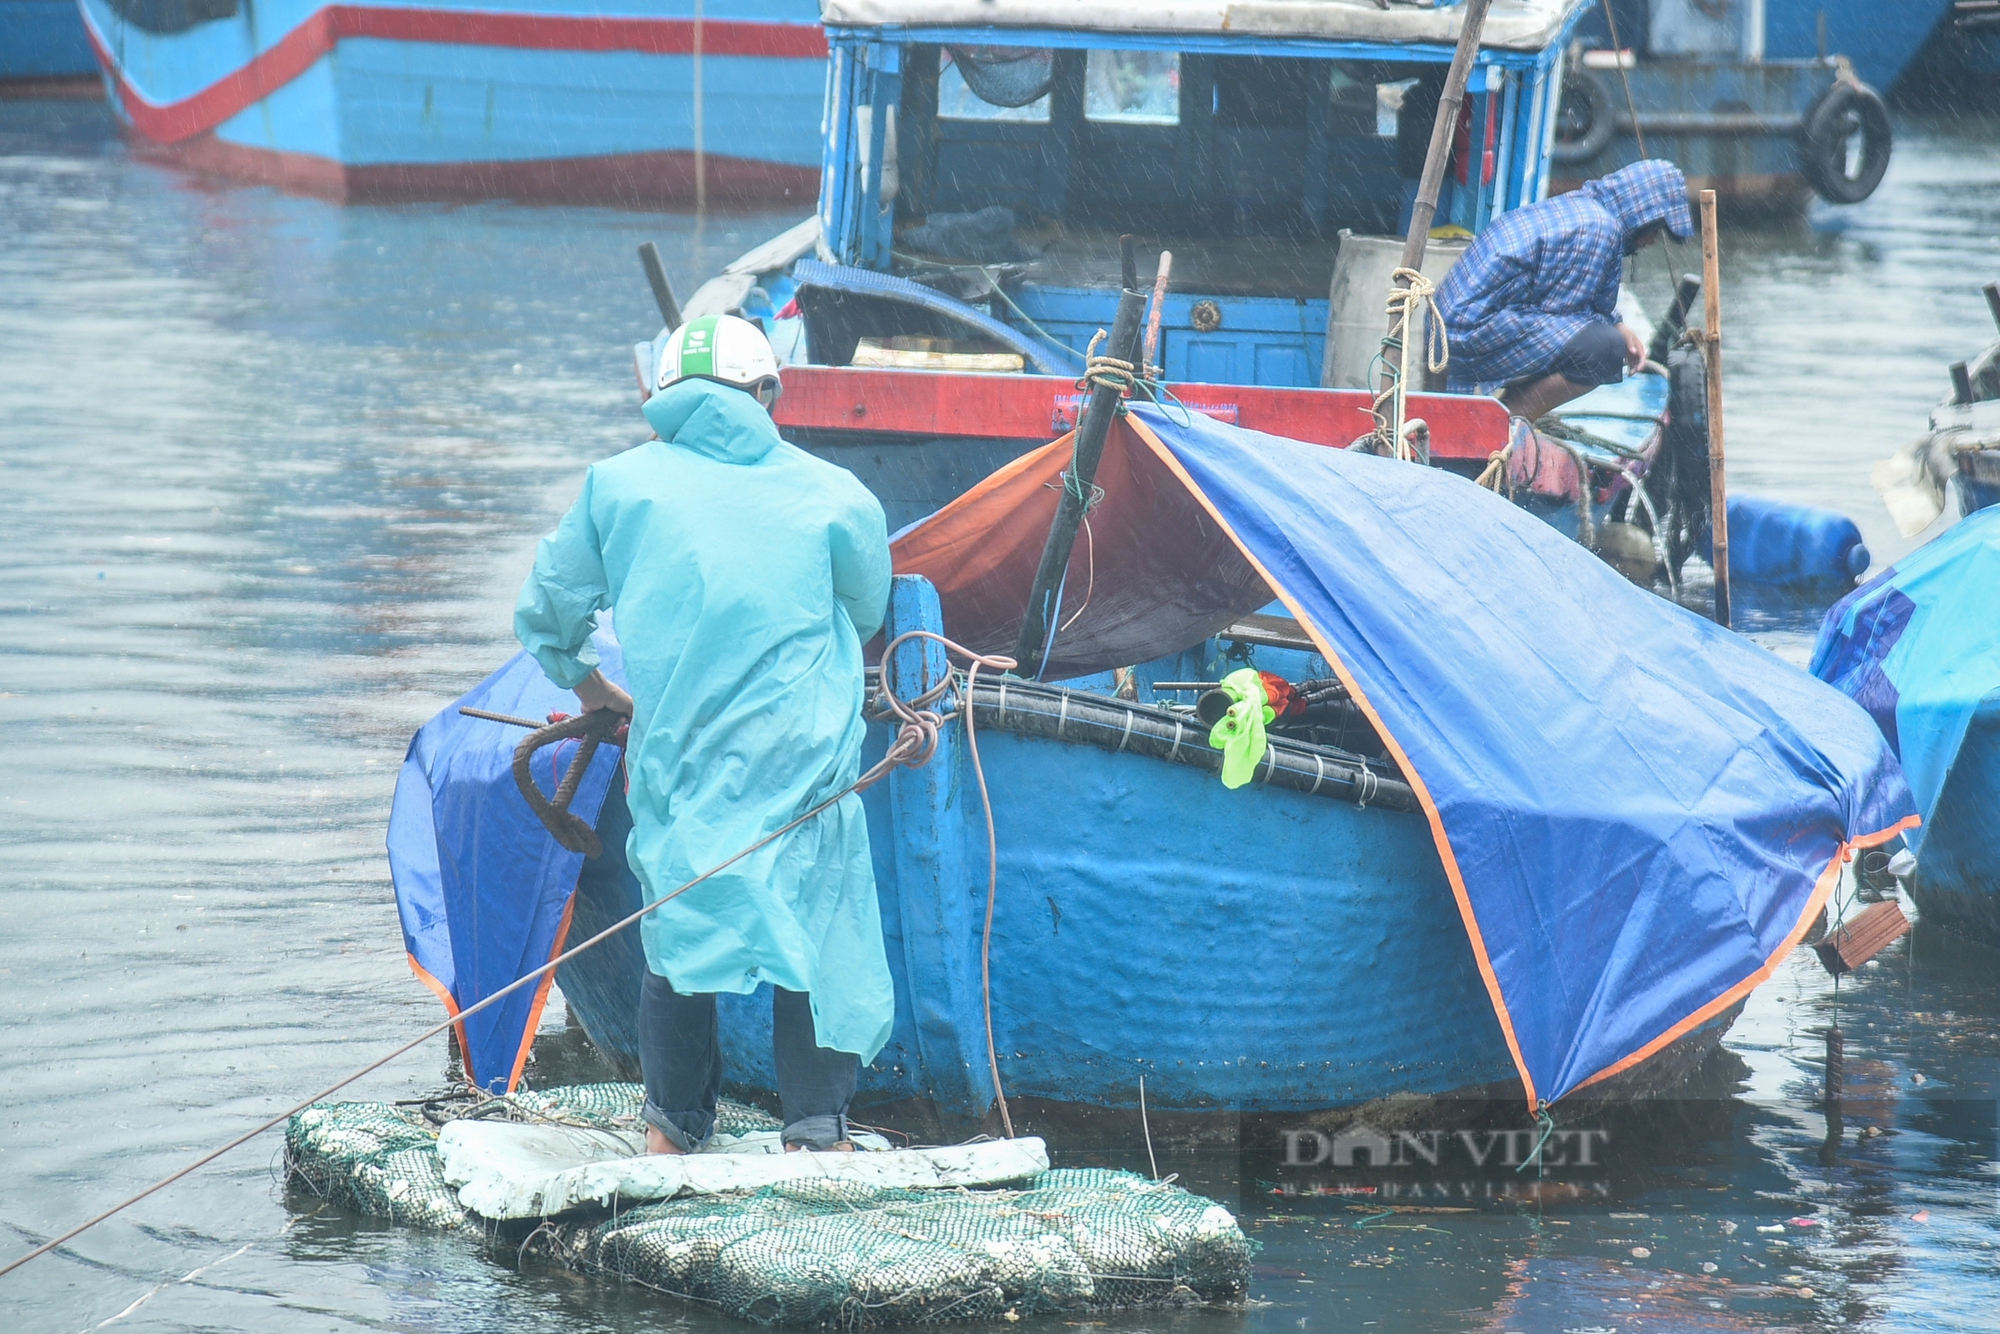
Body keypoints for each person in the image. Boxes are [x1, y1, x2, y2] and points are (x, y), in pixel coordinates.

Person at [514, 314, 893, 1155]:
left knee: (680, 933)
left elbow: (546, 614)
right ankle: (816, 1133)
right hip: (805, 759)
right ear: (765, 395)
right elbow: (867, 609)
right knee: (819, 926)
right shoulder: (837, 495)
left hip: (681, 758)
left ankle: (674, 1131)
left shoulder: (616, 487)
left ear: (664, 398)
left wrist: (596, 690)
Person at [1435, 159, 1695, 422]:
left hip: (1451, 325)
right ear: (1644, 217)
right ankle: (1499, 427)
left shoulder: (1585, 208)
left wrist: (1617, 324)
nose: (1651, 241)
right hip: (1463, 334)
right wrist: (1614, 335)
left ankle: (1502, 414)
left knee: (1597, 339)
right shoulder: (1599, 229)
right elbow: (1565, 316)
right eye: (1655, 231)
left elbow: (1569, 305)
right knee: (1605, 351)